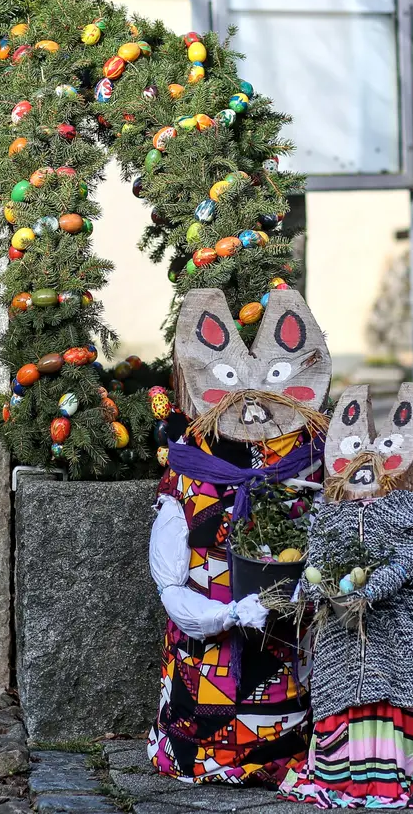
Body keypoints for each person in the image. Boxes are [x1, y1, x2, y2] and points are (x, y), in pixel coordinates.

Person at [147, 288, 330, 785]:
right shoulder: (192, 458)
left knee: (288, 686)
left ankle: (293, 750)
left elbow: (335, 529)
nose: (251, 401)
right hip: (209, 636)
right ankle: (201, 750)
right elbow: (170, 570)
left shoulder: (311, 450)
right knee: (209, 685)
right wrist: (223, 613)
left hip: (289, 621)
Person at [279, 384, 413, 809]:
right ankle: (343, 772)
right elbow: (319, 554)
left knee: (399, 686)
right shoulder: (331, 514)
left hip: (397, 639)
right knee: (340, 685)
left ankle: (402, 769)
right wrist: (321, 584)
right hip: (343, 640)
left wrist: (392, 574)